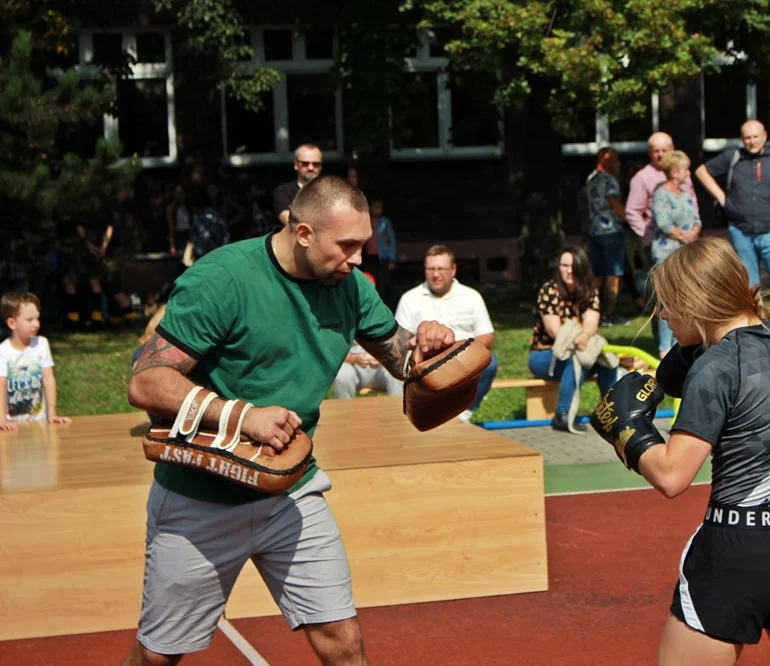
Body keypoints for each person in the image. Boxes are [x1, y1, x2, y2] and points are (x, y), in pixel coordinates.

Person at [125, 175, 457, 665]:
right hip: (202, 497)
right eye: (347, 245)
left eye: (362, 245)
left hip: (290, 490)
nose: (358, 258)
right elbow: (146, 381)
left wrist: (428, 342)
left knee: (343, 641)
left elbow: (400, 358)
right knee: (159, 658)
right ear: (304, 234)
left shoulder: (349, 287)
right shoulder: (224, 278)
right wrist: (241, 415)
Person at [592, 236, 770, 665]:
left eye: (669, 304)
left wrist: (627, 429)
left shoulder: (716, 367)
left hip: (738, 546)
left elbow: (672, 476)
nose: (665, 316)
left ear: (695, 300)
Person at [695, 120, 770, 291]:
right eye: (747, 138)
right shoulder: (732, 157)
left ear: (764, 136)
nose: (751, 141)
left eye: (755, 137)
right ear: (742, 139)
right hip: (741, 231)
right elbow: (701, 172)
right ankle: (752, 317)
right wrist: (722, 198)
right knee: (747, 287)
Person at [395, 245, 496, 422]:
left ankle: (465, 411)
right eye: (431, 269)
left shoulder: (471, 297)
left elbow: (487, 335)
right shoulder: (409, 299)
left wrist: (463, 351)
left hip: (463, 357)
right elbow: (399, 338)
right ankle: (420, 415)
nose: (435, 274)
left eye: (441, 269)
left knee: (491, 363)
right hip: (427, 359)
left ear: (453, 270)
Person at [528, 246, 617, 432]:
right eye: (564, 265)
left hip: (579, 350)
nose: (568, 271)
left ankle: (610, 412)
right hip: (545, 355)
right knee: (573, 360)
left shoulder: (590, 291)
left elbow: (592, 323)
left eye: (573, 266)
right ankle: (563, 414)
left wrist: (584, 336)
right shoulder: (549, 290)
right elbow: (555, 331)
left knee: (608, 362)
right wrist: (580, 341)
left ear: (582, 267)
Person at [625, 132, 699, 311]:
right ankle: (662, 336)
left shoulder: (684, 176)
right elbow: (632, 211)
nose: (660, 154)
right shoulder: (642, 177)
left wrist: (694, 231)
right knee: (662, 297)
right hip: (659, 243)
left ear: (672, 150)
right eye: (655, 151)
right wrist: (647, 234)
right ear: (649, 153)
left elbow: (693, 204)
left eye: (664, 150)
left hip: (686, 242)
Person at [649, 149, 701, 357]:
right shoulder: (661, 194)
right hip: (667, 253)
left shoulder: (686, 194)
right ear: (674, 172)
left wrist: (694, 232)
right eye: (685, 169)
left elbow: (697, 219)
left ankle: (681, 342)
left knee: (686, 299)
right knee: (669, 300)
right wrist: (683, 235)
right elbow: (663, 222)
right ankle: (664, 347)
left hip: (686, 253)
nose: (688, 173)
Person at [1, 291, 72, 431]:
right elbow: (1, 384)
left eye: (37, 318)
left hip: (39, 423)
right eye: (29, 320)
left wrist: (52, 412)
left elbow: (48, 378)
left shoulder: (41, 344)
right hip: (12, 424)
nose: (36, 324)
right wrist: (1, 418)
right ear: (12, 323)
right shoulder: (3, 351)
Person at [584, 147, 628, 326]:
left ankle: (591, 310)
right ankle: (609, 314)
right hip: (611, 231)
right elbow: (615, 204)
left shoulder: (590, 179)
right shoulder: (610, 180)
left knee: (597, 276)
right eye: (615, 160)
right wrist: (630, 220)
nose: (618, 164)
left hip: (594, 232)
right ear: (606, 161)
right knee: (613, 275)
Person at [273, 144, 323, 227]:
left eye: (316, 164)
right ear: (296, 165)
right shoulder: (283, 192)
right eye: (305, 163)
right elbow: (290, 222)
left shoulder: (329, 191)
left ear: (321, 166)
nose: (310, 168)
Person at [362, 196, 398, 308]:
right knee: (371, 279)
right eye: (375, 207)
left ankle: (385, 303)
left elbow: (392, 239)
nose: (378, 209)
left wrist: (392, 258)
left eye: (380, 207)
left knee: (384, 281)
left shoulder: (384, 222)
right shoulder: (366, 220)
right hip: (370, 256)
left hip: (383, 256)